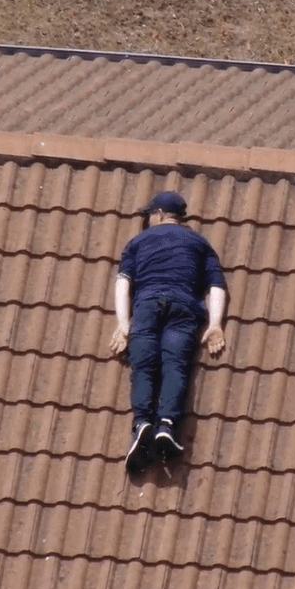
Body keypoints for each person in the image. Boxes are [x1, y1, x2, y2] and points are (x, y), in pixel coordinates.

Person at [109, 190, 227, 475]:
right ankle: (167, 425)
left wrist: (123, 324)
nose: (148, 220)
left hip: (148, 306)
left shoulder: (138, 242)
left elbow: (123, 283)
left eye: (150, 214)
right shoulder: (199, 243)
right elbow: (216, 286)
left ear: (160, 214)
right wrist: (215, 324)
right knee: (175, 366)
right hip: (183, 308)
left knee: (144, 365)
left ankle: (142, 423)